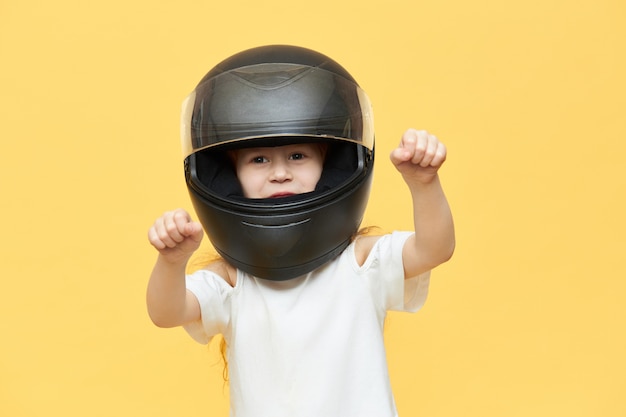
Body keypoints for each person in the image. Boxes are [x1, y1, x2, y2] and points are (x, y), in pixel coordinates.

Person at [146, 45, 454, 417]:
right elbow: (166, 312)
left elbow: (435, 249)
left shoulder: (358, 263)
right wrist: (172, 261)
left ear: (329, 164)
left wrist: (424, 183)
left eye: (297, 156)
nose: (280, 172)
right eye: (259, 160)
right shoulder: (233, 280)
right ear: (229, 176)